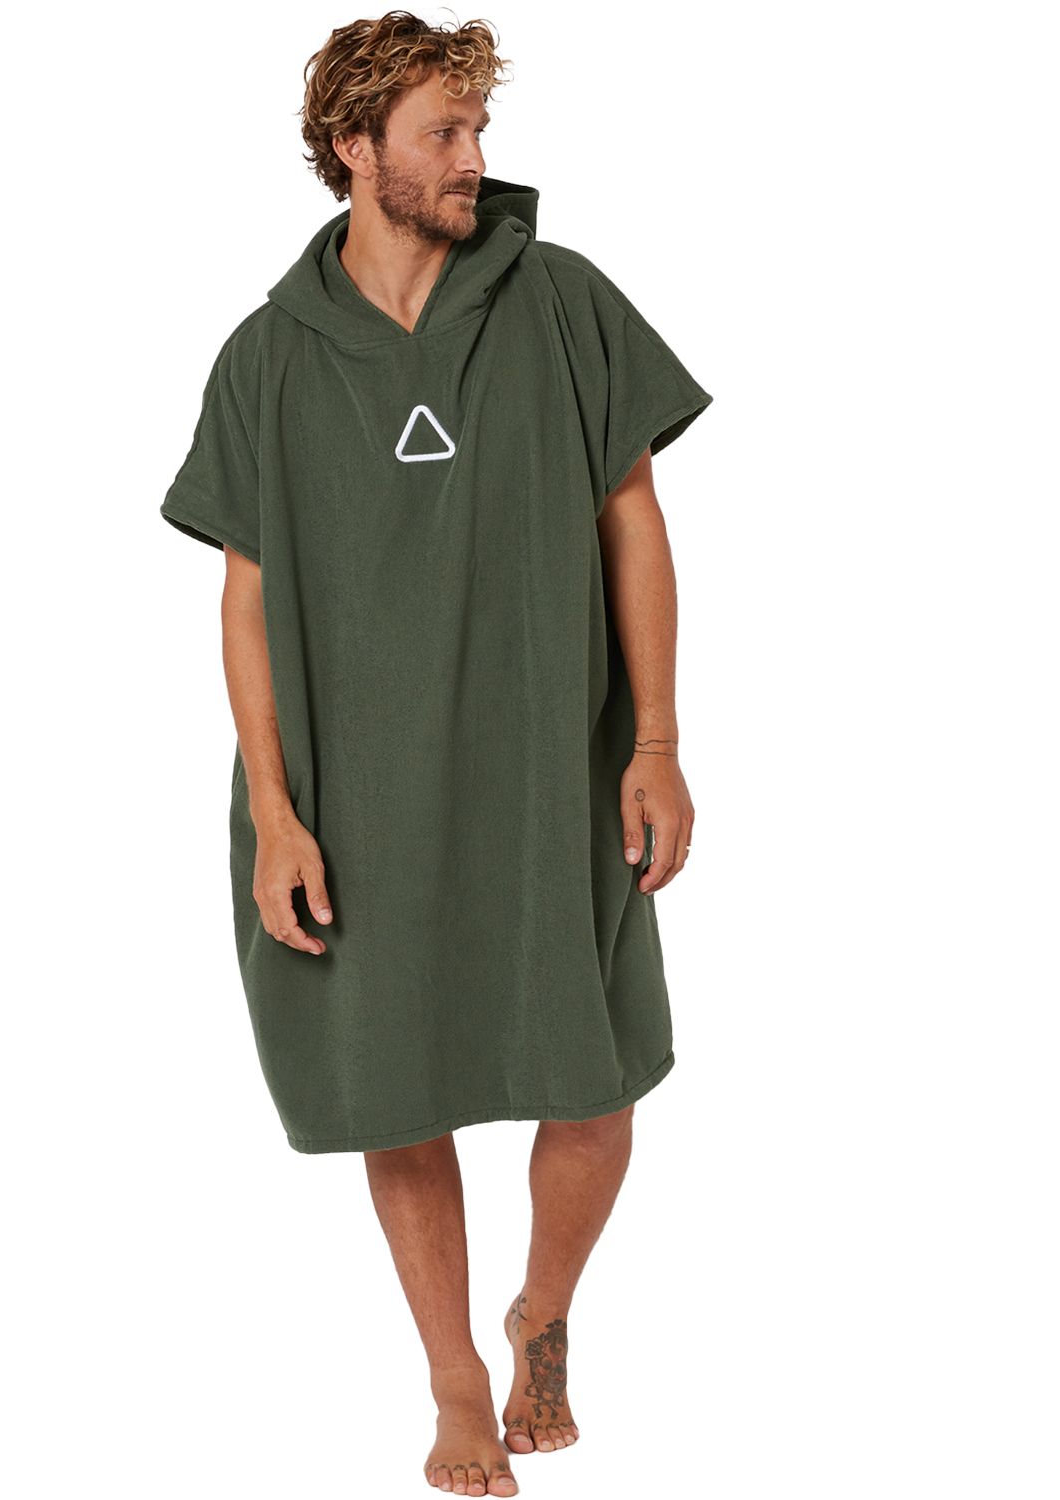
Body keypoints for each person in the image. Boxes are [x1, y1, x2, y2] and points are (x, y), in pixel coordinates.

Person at [159, 13, 713, 1496]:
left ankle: (544, 1309)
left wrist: (658, 740)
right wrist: (276, 811)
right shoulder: (269, 357)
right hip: (360, 793)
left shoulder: (562, 301)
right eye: (442, 134)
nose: (475, 158)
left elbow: (634, 521)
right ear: (356, 150)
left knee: (593, 1079)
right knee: (396, 1089)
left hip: (551, 768)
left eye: (478, 129)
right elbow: (246, 599)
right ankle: (456, 1380)